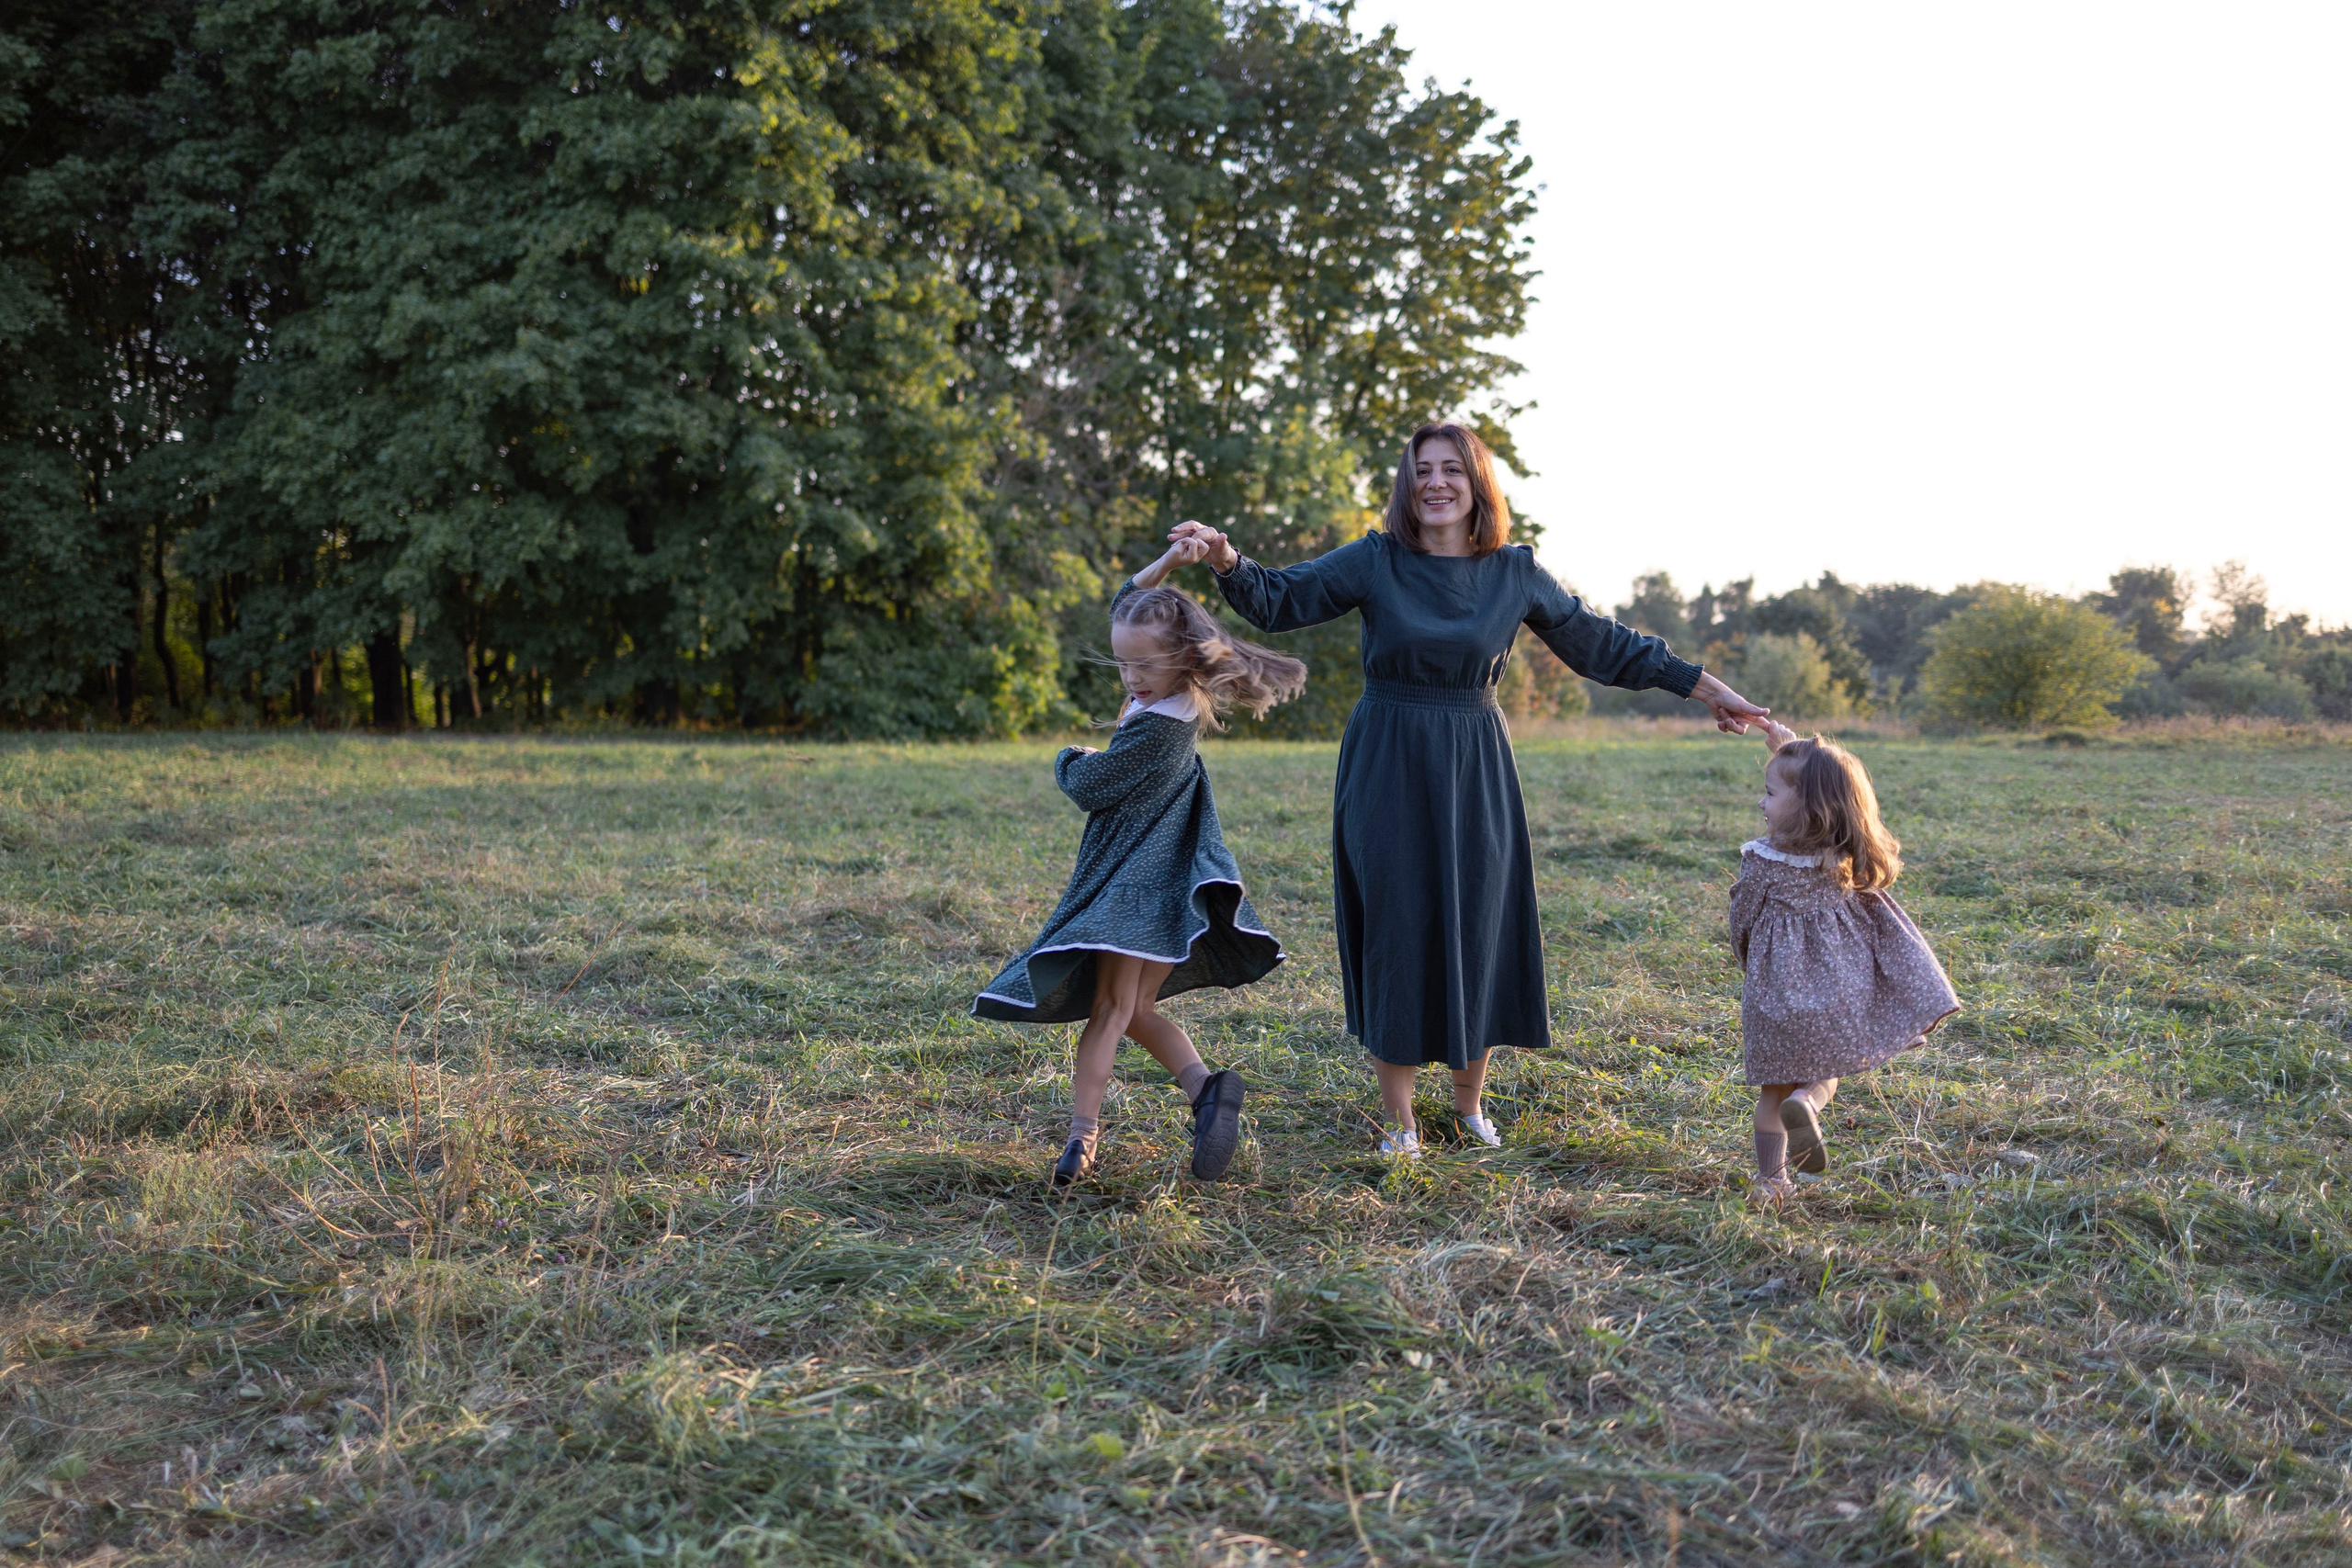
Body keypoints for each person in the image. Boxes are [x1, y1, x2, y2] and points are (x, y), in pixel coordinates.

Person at [1171, 423, 1769, 1159]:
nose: (1436, 483)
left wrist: (1705, 687)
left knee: (1479, 921)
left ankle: (1468, 1107)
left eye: (1452, 469)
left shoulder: (1515, 571)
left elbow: (1602, 644)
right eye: (1422, 469)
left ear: (1477, 482)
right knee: (1397, 923)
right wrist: (1225, 557)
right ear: (1407, 484)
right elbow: (1280, 600)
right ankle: (1400, 1120)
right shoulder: (1376, 559)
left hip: (1476, 761)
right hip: (1388, 757)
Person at [973, 535, 1308, 1188]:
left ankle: (1081, 1141)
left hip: (1139, 891)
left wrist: (1072, 755)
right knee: (1137, 1011)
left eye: (1144, 666)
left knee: (1109, 1011)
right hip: (1161, 886)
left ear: (1183, 657)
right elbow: (1127, 603)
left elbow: (1089, 786)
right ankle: (1207, 1091)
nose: (1131, 677)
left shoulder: (1160, 727)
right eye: (1123, 664)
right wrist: (1169, 566)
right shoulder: (1167, 698)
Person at [1733, 719, 1960, 1191]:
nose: (1761, 802)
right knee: (1824, 1076)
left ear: (1806, 807)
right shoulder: (1842, 856)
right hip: (1837, 998)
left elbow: (1743, 920)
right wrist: (1789, 750)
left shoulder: (1760, 861)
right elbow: (1824, 783)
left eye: (1769, 793)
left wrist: (1746, 957)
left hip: (1773, 1001)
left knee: (1771, 1093)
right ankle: (1808, 1103)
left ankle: (1771, 1181)